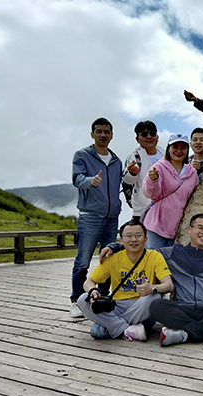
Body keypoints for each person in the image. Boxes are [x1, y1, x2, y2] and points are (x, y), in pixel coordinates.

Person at [100, 214, 203, 346]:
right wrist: (114, 246)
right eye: (200, 227)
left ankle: (184, 334)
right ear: (190, 229)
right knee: (157, 305)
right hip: (182, 309)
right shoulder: (173, 253)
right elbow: (141, 250)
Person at [77, 220, 173, 340]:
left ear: (145, 239)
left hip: (143, 308)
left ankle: (113, 325)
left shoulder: (155, 256)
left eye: (138, 235)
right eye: (128, 236)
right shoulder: (113, 258)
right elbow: (89, 282)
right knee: (82, 299)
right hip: (117, 305)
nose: (134, 239)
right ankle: (127, 329)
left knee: (155, 298)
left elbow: (169, 285)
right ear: (121, 240)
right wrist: (92, 291)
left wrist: (152, 287)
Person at [70, 117, 122, 318]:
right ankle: (76, 301)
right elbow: (77, 179)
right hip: (90, 215)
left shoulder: (116, 161)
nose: (103, 135)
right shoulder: (82, 155)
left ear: (112, 135)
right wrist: (91, 181)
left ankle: (103, 298)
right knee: (83, 261)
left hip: (112, 217)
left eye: (106, 131)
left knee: (107, 260)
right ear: (92, 134)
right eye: (99, 131)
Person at [142, 133, 199, 249]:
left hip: (177, 226)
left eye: (183, 148)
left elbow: (195, 198)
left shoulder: (192, 173)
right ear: (168, 149)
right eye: (175, 147)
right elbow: (150, 194)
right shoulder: (159, 167)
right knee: (155, 258)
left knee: (171, 259)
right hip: (157, 224)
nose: (179, 151)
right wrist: (152, 180)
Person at [122, 121, 166, 222]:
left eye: (152, 133)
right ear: (137, 139)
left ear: (157, 136)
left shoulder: (167, 155)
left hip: (165, 210)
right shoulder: (134, 157)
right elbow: (127, 181)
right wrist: (132, 173)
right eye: (144, 134)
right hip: (143, 211)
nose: (149, 136)